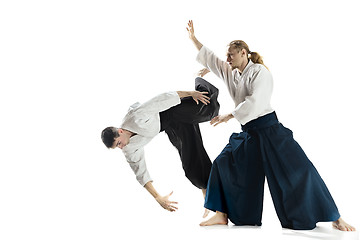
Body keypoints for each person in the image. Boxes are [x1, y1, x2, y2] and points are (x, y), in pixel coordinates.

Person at [186, 20, 355, 231]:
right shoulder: (232, 72)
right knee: (223, 163)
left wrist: (229, 115)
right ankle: (221, 214)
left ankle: (335, 217)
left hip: (269, 130)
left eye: (231, 54)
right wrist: (193, 38)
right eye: (227, 55)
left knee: (301, 170)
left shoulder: (260, 72)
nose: (227, 59)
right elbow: (212, 59)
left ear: (243, 53)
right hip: (249, 134)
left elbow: (256, 102)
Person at [101, 77, 220, 215]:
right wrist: (158, 198)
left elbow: (163, 99)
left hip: (173, 110)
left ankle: (200, 81)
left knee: (210, 109)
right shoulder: (128, 148)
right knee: (190, 160)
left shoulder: (135, 115)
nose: (121, 147)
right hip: (170, 127)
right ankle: (209, 196)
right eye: (118, 147)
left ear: (120, 131)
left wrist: (190, 93)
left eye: (118, 143)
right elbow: (140, 172)